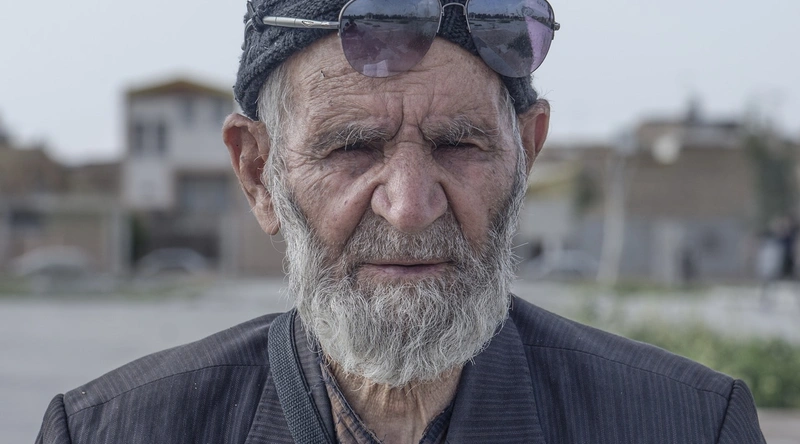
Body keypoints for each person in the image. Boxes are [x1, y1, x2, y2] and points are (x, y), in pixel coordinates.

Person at [37, 0, 765, 442]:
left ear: (526, 154)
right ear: (259, 173)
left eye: (460, 145)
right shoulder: (109, 430)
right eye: (352, 147)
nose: (411, 207)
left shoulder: (689, 424)